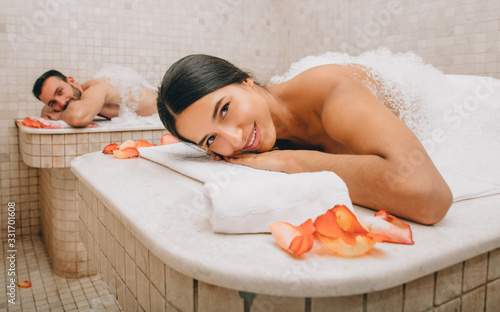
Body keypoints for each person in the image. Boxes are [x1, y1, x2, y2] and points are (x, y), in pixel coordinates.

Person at [156, 54, 453, 225]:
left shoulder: (330, 90)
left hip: (448, 104)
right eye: (210, 139)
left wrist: (289, 160)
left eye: (224, 109)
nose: (234, 139)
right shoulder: (261, 133)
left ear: (246, 81)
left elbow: (427, 198)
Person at [32, 68, 158, 127]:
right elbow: (45, 111)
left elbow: (79, 117)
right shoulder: (81, 98)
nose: (62, 102)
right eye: (53, 103)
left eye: (60, 92)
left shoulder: (97, 88)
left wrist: (58, 115)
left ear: (71, 81)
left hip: (171, 107)